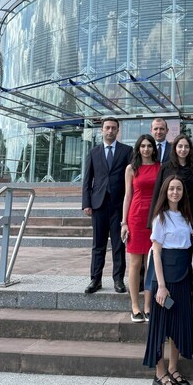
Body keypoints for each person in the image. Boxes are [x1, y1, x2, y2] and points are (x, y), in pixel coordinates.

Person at [143, 175, 193, 385]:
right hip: (165, 278)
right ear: (165, 191)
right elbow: (156, 253)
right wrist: (161, 286)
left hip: (183, 276)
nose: (175, 192)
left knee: (178, 326)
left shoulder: (186, 216)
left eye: (179, 188)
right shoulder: (160, 218)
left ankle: (173, 368)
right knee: (161, 326)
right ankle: (160, 372)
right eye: (172, 188)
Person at [82, 117, 132, 294]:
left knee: (119, 244)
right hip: (98, 204)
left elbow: (131, 179)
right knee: (98, 244)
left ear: (118, 130)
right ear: (102, 130)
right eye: (107, 128)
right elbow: (87, 180)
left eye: (113, 128)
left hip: (119, 205)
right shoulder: (93, 152)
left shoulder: (127, 151)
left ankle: (118, 280)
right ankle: (95, 280)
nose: (110, 131)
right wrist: (86, 203)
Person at [121, 134, 160, 322]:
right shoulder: (131, 168)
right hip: (136, 217)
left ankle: (148, 306)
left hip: (154, 219)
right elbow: (127, 196)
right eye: (143, 146)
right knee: (135, 264)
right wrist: (124, 222)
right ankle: (135, 306)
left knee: (151, 263)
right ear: (138, 148)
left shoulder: (160, 167)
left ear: (153, 148)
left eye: (149, 146)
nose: (146, 149)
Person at [148, 134, 193, 228]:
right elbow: (158, 193)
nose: (183, 149)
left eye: (186, 147)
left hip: (189, 213)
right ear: (175, 148)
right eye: (180, 146)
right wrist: (152, 220)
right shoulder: (165, 168)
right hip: (169, 213)